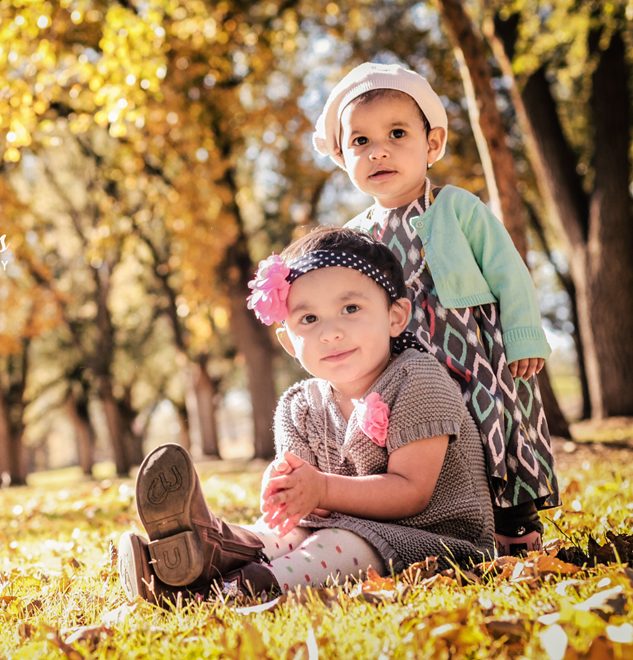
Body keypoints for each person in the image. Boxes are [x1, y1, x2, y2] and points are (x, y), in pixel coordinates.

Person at [117, 228, 495, 605]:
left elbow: (411, 493)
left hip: (435, 539)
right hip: (334, 527)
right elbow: (307, 510)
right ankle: (209, 550)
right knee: (283, 535)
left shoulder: (418, 379)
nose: (330, 333)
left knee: (333, 544)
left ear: (395, 317)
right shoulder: (298, 405)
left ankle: (224, 591)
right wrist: (287, 490)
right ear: (288, 342)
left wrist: (322, 489)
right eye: (309, 318)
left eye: (351, 309)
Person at [312, 62, 559, 555]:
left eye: (396, 134)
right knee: (428, 439)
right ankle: (448, 519)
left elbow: (508, 272)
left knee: (492, 426)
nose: (378, 150)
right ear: (342, 157)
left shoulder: (458, 207)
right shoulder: (355, 237)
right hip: (406, 364)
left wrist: (523, 336)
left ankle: (514, 523)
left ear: (433, 143)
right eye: (360, 141)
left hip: (474, 350)